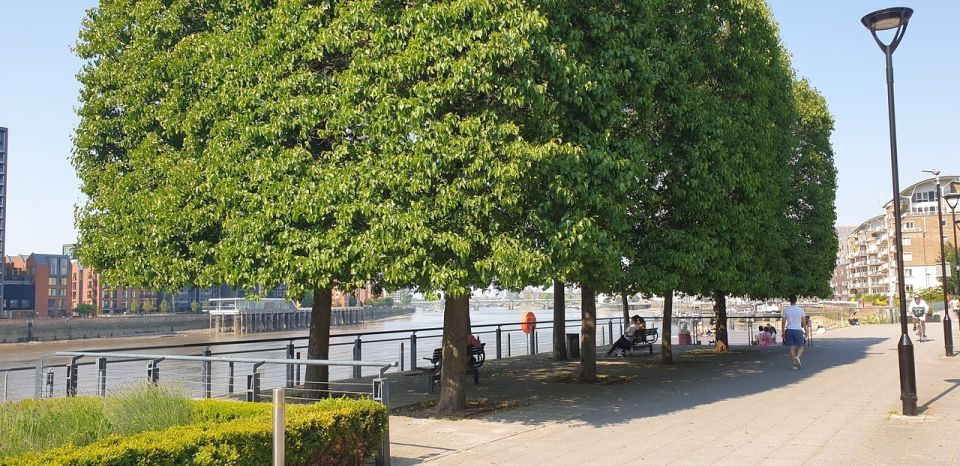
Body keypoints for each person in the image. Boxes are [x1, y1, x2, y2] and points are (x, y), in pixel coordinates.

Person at [781, 294, 806, 369]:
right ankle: (797, 357)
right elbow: (804, 322)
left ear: (789, 300)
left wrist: (783, 332)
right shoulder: (800, 310)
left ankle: (795, 364)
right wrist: (806, 330)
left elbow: (783, 322)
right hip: (798, 329)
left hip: (789, 329)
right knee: (801, 346)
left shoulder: (786, 310)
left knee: (792, 346)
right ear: (796, 300)